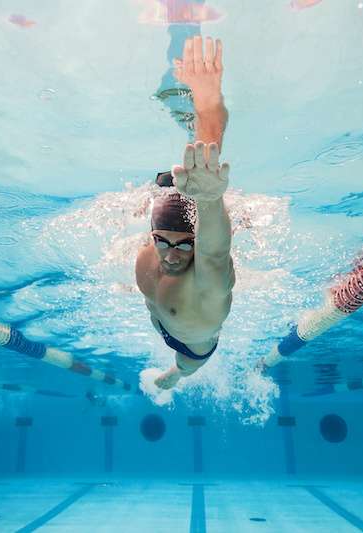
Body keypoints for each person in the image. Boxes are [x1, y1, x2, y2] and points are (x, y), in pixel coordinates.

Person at [136, 36, 234, 393]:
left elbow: (215, 251)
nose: (172, 254)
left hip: (192, 346)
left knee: (183, 369)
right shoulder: (153, 247)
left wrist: (208, 104)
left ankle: (177, 376)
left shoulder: (208, 286)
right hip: (162, 317)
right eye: (162, 240)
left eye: (184, 245)